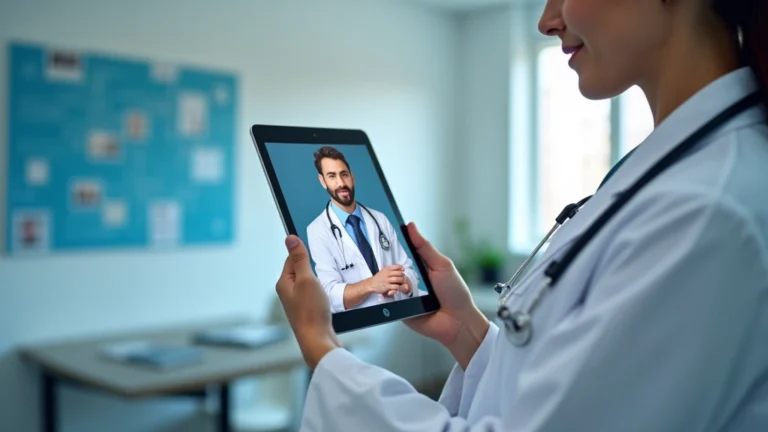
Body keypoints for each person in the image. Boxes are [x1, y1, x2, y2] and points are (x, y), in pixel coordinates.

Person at [275, 0, 768, 429]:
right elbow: (568, 391)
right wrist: (465, 328)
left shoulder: (707, 211)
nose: (546, 20)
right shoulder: (668, 170)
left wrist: (322, 347)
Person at [306, 146, 423, 312]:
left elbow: (408, 269)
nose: (341, 183)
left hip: (399, 312)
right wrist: (372, 284)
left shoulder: (379, 218)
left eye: (344, 174)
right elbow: (330, 295)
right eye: (332, 176)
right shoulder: (317, 230)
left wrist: (405, 282)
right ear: (322, 181)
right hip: (362, 324)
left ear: (352, 177)